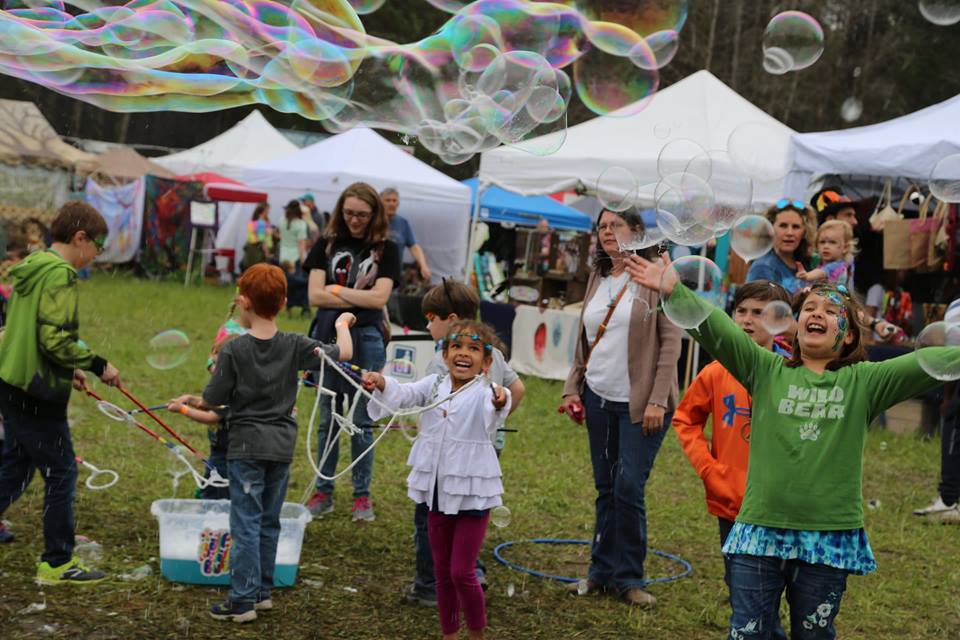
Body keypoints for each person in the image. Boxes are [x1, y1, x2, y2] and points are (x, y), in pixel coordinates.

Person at [627, 253, 958, 640]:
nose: (817, 313)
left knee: (813, 635)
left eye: (831, 310)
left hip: (829, 537)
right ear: (795, 325)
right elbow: (717, 329)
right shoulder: (764, 370)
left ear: (848, 334)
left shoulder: (865, 382)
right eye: (809, 308)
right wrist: (675, 290)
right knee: (749, 632)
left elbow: (927, 361)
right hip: (758, 531)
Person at [190, 263, 355, 622]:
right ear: (282, 301)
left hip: (246, 448)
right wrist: (342, 325)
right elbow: (343, 353)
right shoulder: (296, 344)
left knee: (246, 522)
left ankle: (243, 600)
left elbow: (215, 397)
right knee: (268, 519)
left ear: (244, 303)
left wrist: (197, 400)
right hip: (281, 448)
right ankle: (262, 592)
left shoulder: (233, 351)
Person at [559, 206, 683, 606]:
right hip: (598, 397)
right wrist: (571, 389)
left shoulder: (654, 276)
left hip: (641, 403)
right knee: (606, 487)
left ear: (636, 232)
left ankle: (629, 578)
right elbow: (585, 341)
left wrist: (657, 400)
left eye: (617, 225)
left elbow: (671, 343)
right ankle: (600, 571)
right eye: (603, 226)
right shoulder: (598, 276)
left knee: (629, 487)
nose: (608, 231)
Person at [363, 319, 511, 640]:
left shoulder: (485, 391)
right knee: (442, 574)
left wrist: (501, 400)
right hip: (437, 493)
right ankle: (449, 634)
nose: (463, 353)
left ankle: (476, 634)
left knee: (462, 572)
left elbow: (499, 402)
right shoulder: (433, 385)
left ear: (486, 363)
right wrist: (381, 382)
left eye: (473, 349)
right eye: (456, 346)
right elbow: (402, 393)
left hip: (473, 495)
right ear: (445, 355)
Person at [0, 201, 121, 582]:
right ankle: (56, 562)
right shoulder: (60, 276)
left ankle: (56, 558)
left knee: (17, 465)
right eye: (97, 248)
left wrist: (67, 371)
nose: (95, 256)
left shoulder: (32, 268)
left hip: (13, 383)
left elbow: (30, 333)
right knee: (62, 472)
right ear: (80, 238)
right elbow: (54, 338)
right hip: (36, 393)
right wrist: (98, 364)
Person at [672, 280, 792, 640]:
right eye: (741, 311)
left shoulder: (796, 372)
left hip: (784, 505)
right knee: (740, 585)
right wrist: (710, 470)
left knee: (772, 590)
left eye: (759, 312)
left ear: (781, 320)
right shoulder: (715, 372)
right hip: (733, 503)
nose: (748, 320)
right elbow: (686, 419)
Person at [403, 279, 526, 607]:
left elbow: (435, 408)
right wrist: (496, 423)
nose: (428, 324)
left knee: (432, 515)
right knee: (470, 514)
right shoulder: (492, 353)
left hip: (448, 457)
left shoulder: (442, 361)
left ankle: (429, 585)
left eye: (431, 317)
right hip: (483, 453)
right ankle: (474, 571)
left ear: (452, 319)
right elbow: (518, 389)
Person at [303, 182, 401, 522]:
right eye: (348, 213)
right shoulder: (326, 245)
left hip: (368, 338)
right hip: (328, 337)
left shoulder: (387, 249)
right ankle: (323, 490)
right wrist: (359, 295)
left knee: (362, 418)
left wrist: (337, 290)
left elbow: (380, 299)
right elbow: (314, 296)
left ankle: (362, 495)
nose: (355, 220)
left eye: (361, 214)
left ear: (374, 213)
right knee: (327, 415)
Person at [166, 320, 247, 500]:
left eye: (219, 365)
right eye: (214, 362)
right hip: (219, 451)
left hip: (231, 456)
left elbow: (211, 416)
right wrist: (188, 399)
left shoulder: (236, 390)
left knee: (220, 495)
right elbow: (208, 403)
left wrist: (183, 410)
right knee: (212, 483)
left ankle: (217, 517)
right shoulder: (226, 385)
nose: (214, 368)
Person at [913, 297, 960, 523]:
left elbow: (952, 357)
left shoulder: (955, 308)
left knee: (953, 433)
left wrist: (948, 398)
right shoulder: (954, 307)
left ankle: (948, 501)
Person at [745, 199, 818, 295]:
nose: (789, 233)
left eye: (796, 227)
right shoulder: (763, 267)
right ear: (770, 229)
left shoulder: (808, 263)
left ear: (805, 232)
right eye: (783, 226)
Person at [381, 187, 432, 283]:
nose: (392, 203)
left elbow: (414, 247)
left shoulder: (403, 223)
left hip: (394, 276)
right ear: (380, 202)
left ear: (398, 203)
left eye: (394, 200)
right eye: (388, 200)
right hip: (373, 274)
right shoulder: (373, 221)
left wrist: (423, 266)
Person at [797, 220, 856, 287]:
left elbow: (821, 273)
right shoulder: (821, 263)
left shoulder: (838, 265)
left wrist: (807, 276)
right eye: (822, 242)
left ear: (845, 247)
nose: (826, 246)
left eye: (832, 242)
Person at [242, 202, 275, 270]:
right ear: (264, 211)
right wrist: (267, 254)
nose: (269, 212)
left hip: (252, 251)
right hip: (259, 252)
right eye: (268, 210)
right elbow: (262, 240)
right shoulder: (261, 223)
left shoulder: (253, 222)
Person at [278, 200, 309, 267]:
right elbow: (301, 245)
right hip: (295, 257)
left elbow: (280, 235)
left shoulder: (281, 220)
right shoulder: (301, 224)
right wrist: (303, 261)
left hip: (283, 255)